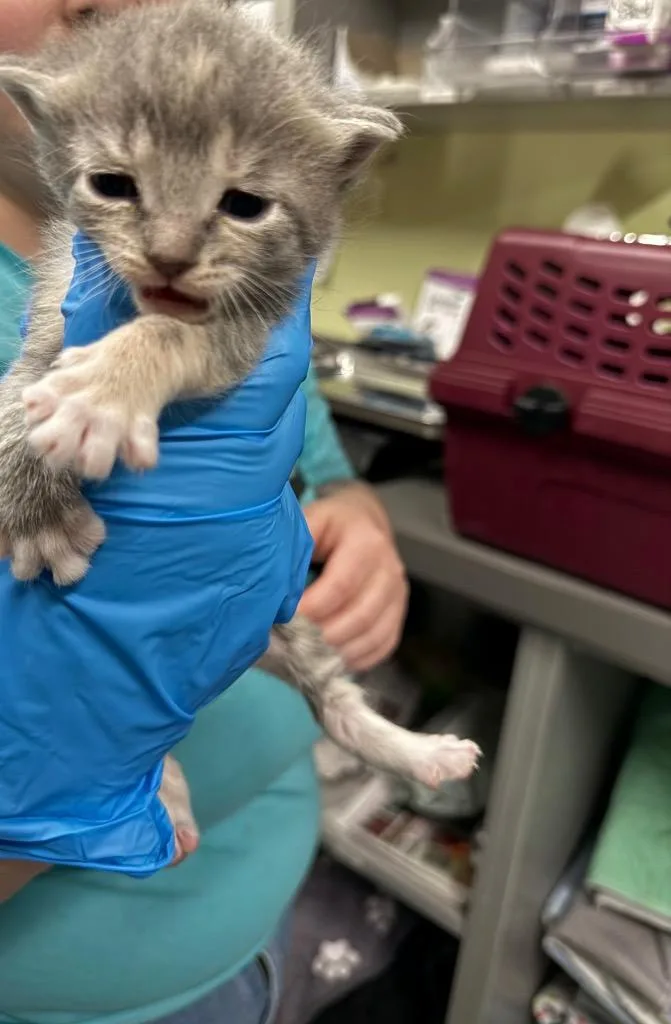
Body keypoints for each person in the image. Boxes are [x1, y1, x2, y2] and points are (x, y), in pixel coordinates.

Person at [0, 2, 408, 1023]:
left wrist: (360, 519)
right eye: (117, 182)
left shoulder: (252, 283)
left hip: (265, 911)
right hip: (84, 980)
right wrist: (71, 786)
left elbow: (309, 460)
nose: (173, 248)